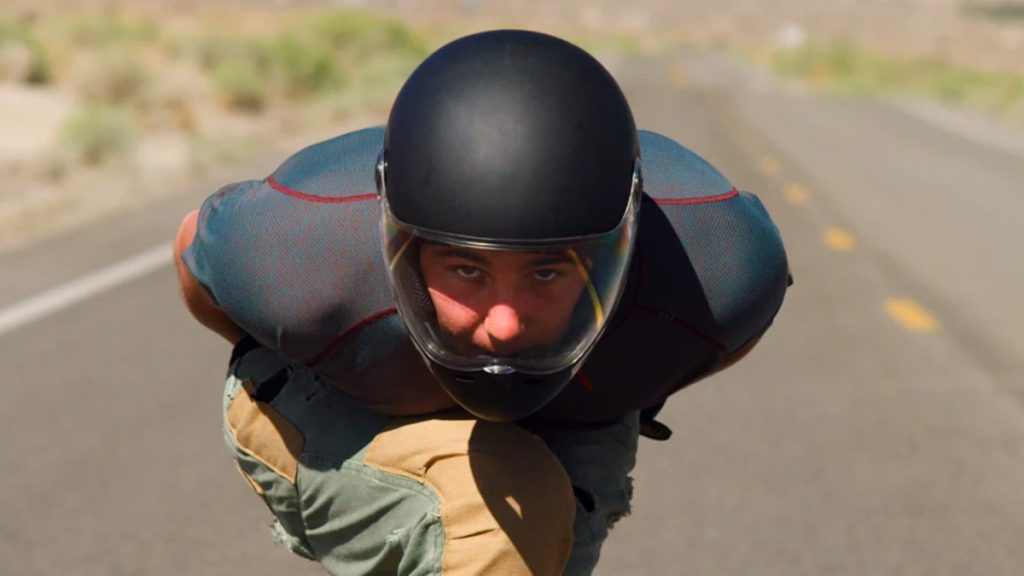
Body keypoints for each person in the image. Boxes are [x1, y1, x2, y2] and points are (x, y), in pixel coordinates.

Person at [173, 30, 790, 575]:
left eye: (547, 272)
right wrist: (361, 360)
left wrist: (612, 380)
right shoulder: (295, 249)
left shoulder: (723, 267)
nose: (504, 323)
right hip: (331, 394)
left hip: (566, 405)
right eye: (466, 269)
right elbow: (192, 256)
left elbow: (726, 337)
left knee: (549, 538)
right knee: (496, 532)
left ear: (617, 255)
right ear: (404, 248)